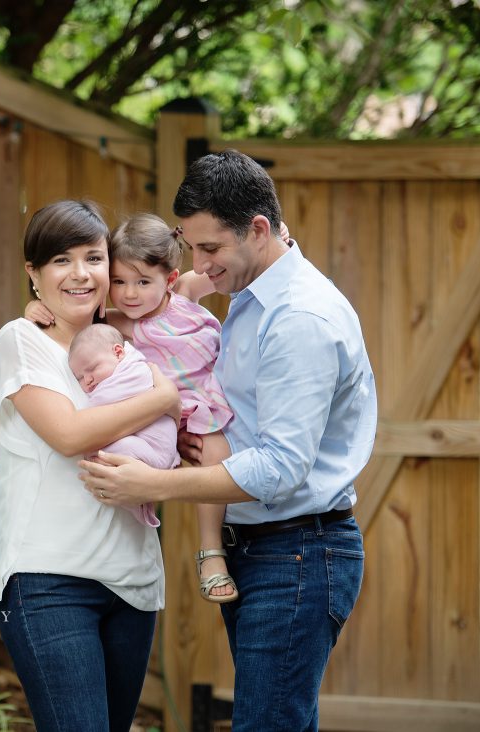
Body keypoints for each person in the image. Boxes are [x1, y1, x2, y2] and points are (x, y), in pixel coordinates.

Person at [78, 150, 377, 732]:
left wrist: (155, 483)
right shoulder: (250, 287)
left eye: (210, 248)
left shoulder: (298, 320)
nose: (199, 265)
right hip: (266, 549)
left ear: (259, 230)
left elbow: (280, 469)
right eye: (192, 248)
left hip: (297, 553)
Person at [0, 199, 180, 732]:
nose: (80, 274)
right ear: (34, 273)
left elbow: (177, 288)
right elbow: (70, 435)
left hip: (133, 585)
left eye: (93, 258)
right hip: (50, 582)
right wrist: (163, 396)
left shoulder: (134, 336)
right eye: (60, 260)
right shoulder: (21, 340)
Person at [28, 213, 246, 603]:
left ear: (170, 279)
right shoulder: (116, 325)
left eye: (143, 282)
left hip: (208, 404)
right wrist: (35, 309)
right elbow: (69, 324)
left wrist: (277, 238)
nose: (130, 294)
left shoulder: (185, 296)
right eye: (119, 282)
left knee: (215, 451)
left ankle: (211, 550)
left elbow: (219, 268)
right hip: (164, 415)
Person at [67, 322, 180, 527]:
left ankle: (140, 506)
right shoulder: (114, 368)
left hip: (154, 451)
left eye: (92, 369)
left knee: (103, 454)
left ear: (118, 352)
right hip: (147, 449)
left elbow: (103, 404)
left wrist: (82, 416)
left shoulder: (134, 371)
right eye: (80, 378)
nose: (88, 381)